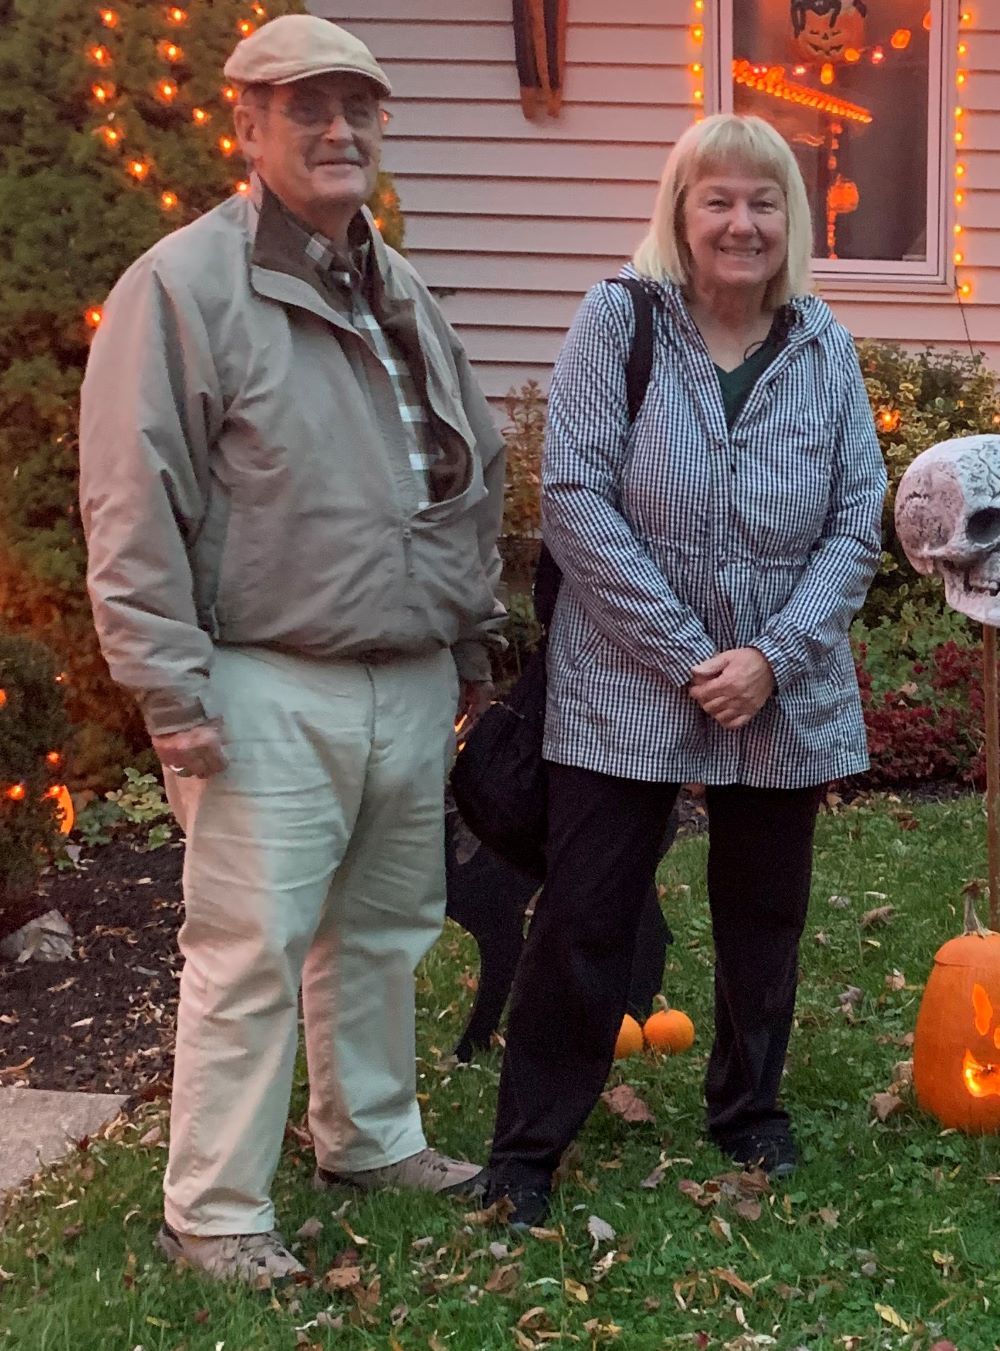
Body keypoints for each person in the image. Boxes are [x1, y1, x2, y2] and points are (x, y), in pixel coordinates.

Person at [78, 15, 506, 1284]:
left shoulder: (396, 284)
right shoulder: (182, 286)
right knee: (250, 950)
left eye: (357, 109)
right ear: (248, 123)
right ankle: (213, 1211)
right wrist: (168, 688)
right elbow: (132, 499)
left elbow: (468, 466)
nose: (338, 131)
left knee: (385, 931)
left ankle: (368, 1137)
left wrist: (470, 639)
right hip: (262, 675)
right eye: (307, 108)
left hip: (406, 673)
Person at [480, 114, 886, 1228]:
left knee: (765, 910)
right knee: (586, 909)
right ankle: (528, 1145)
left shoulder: (822, 345)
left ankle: (748, 1107)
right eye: (719, 199)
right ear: (680, 211)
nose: (741, 223)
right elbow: (574, 499)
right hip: (624, 675)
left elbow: (858, 520)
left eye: (764, 201)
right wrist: (690, 655)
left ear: (790, 220)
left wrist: (772, 657)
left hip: (779, 685)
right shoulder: (619, 320)